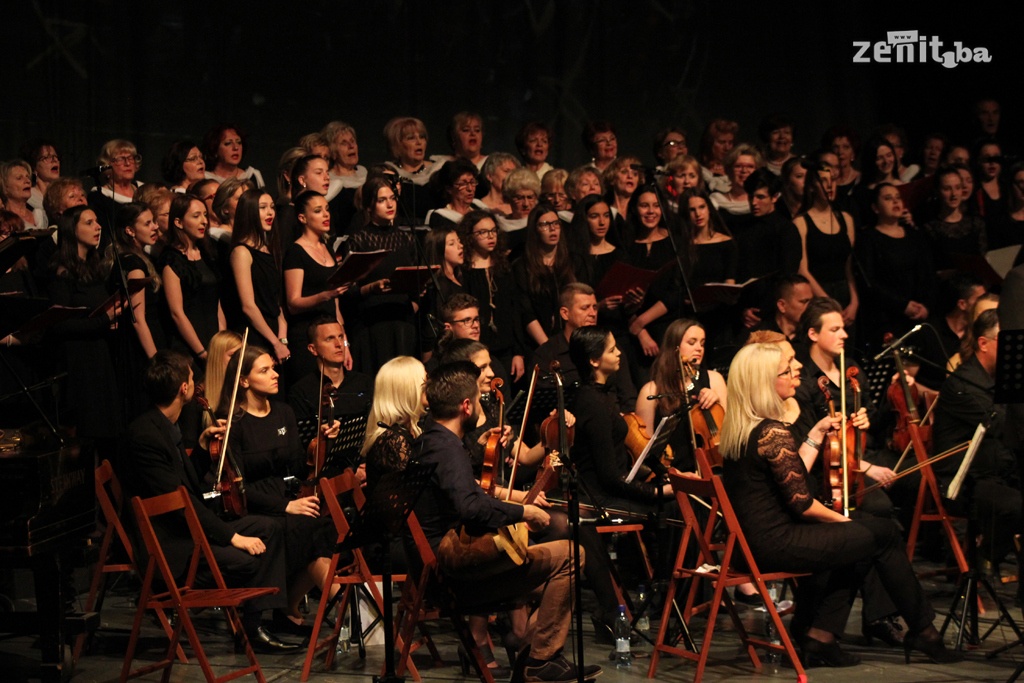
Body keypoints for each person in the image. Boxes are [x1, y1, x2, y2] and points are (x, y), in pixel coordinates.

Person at [719, 342, 957, 667]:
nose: (794, 374)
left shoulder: (742, 429)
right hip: (777, 542)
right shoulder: (772, 432)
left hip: (754, 542)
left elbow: (791, 477)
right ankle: (923, 632)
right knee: (878, 534)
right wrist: (846, 523)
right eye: (785, 371)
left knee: (863, 541)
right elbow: (802, 504)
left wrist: (815, 433)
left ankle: (820, 635)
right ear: (764, 382)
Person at [411, 361, 598, 682]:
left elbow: (464, 495)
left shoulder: (431, 440)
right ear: (465, 405)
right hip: (456, 577)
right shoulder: (447, 449)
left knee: (552, 584)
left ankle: (532, 652)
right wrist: (524, 512)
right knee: (571, 555)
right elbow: (470, 507)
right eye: (478, 401)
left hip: (443, 567)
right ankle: (539, 661)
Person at [121, 350, 298, 653]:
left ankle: (255, 624)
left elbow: (187, 487)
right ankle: (251, 629)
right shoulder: (145, 435)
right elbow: (180, 505)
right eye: (192, 378)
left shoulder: (165, 426)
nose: (196, 382)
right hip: (174, 549)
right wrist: (233, 536)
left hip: (189, 532)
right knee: (249, 557)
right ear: (184, 389)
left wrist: (203, 449)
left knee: (271, 527)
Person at [217, 345, 340, 633]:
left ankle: (293, 606)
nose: (275, 375)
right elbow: (238, 488)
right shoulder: (234, 423)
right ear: (244, 380)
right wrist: (285, 506)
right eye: (265, 370)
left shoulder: (284, 413)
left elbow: (297, 468)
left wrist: (322, 443)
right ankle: (347, 607)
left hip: (287, 500)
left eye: (273, 368)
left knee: (326, 524)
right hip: (256, 508)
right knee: (307, 528)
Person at [932, 309, 1021, 580]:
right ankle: (983, 555)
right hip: (965, 481)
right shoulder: (963, 384)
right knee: (1017, 506)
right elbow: (1005, 425)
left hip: (998, 473)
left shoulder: (998, 380)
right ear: (984, 343)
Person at [343, 178, 418, 374]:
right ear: (369, 205)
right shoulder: (358, 240)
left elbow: (416, 277)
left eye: (392, 198)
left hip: (402, 319)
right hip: (373, 324)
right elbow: (345, 291)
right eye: (382, 200)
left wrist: (415, 303)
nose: (390, 204)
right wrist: (371, 288)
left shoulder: (406, 238)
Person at [635, 319, 728, 472]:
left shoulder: (714, 379)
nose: (699, 348)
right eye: (692, 343)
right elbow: (645, 451)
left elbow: (728, 430)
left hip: (715, 466)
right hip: (675, 473)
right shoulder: (651, 391)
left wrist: (717, 402)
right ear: (674, 348)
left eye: (702, 343)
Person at [855, 183, 935, 353]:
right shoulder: (868, 239)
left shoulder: (915, 235)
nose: (895, 202)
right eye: (888, 198)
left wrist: (925, 306)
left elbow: (928, 274)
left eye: (898, 197)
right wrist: (903, 305)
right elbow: (869, 282)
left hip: (918, 314)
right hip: (886, 317)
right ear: (875, 208)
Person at [282, 190, 351, 380]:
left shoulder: (327, 248)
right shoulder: (296, 252)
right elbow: (293, 303)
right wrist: (325, 295)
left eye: (327, 210)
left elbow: (336, 306)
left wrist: (345, 344)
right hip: (307, 336)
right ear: (303, 218)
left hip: (331, 335)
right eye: (318, 211)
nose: (326, 215)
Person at [159, 193, 225, 366]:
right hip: (189, 348)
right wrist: (202, 352)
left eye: (205, 214)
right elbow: (177, 313)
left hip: (213, 340)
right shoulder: (171, 259)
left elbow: (216, 303)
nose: (204, 221)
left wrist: (221, 342)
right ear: (178, 222)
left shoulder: (207, 254)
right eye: (196, 216)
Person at [793, 161, 859, 327]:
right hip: (818, 294)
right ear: (812, 186)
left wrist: (854, 301)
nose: (830, 185)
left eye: (833, 180)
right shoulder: (801, 222)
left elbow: (849, 265)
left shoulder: (846, 219)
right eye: (823, 180)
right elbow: (803, 269)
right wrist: (827, 302)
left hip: (845, 294)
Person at [289, 317, 374, 441]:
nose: (339, 344)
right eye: (329, 339)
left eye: (340, 337)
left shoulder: (364, 383)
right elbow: (301, 442)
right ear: (313, 349)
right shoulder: (301, 391)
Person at [231, 188, 288, 362]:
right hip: (255, 334)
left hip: (274, 333)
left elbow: (275, 300)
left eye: (271, 207)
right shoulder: (241, 252)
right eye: (262, 207)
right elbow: (248, 306)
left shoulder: (268, 250)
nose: (270, 212)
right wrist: (275, 343)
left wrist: (282, 337)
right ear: (249, 212)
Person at [511, 204, 576, 347]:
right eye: (545, 225)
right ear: (535, 230)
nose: (552, 229)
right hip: (538, 344)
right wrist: (548, 348)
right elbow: (526, 313)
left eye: (556, 223)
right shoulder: (522, 267)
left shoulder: (572, 260)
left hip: (574, 339)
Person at [362, 356, 427, 493]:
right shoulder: (392, 439)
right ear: (408, 391)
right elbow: (412, 491)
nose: (429, 387)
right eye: (424, 383)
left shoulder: (412, 429)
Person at [921, 168, 988, 269]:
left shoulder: (976, 224)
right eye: (947, 189)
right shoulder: (929, 229)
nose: (954, 194)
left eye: (957, 187)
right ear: (937, 191)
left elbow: (984, 263)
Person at [753, 273, 813, 341]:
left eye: (811, 301)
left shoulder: (813, 336)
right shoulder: (759, 338)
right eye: (804, 302)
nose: (810, 306)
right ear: (782, 305)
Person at [202, 124, 265, 188]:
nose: (235, 147)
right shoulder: (204, 180)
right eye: (228, 143)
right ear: (215, 150)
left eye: (239, 142)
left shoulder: (252, 176)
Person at [2, 160, 48, 231]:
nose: (27, 181)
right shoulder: (3, 220)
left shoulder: (39, 215)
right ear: (5, 187)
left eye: (27, 177)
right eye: (19, 178)